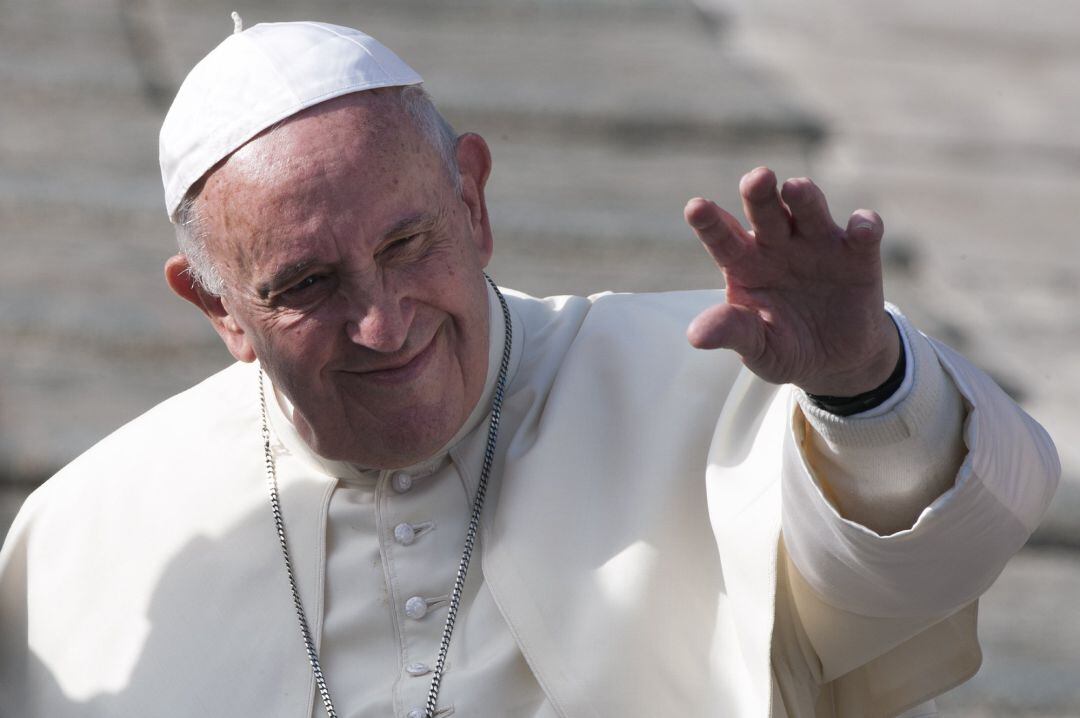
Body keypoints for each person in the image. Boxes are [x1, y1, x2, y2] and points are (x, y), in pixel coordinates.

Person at [0, 19, 1059, 718]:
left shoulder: (709, 384)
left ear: (474, 199)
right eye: (307, 287)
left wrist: (864, 387)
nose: (383, 323)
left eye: (409, 244)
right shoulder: (89, 533)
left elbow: (938, 560)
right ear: (217, 308)